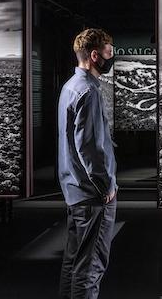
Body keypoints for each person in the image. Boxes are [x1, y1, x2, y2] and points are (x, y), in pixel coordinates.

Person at [58, 28, 118, 299]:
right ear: (95, 55)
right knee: (91, 266)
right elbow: (90, 147)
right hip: (93, 195)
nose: (113, 55)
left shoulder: (70, 86)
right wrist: (105, 185)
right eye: (109, 51)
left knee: (73, 263)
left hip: (74, 190)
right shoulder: (89, 91)